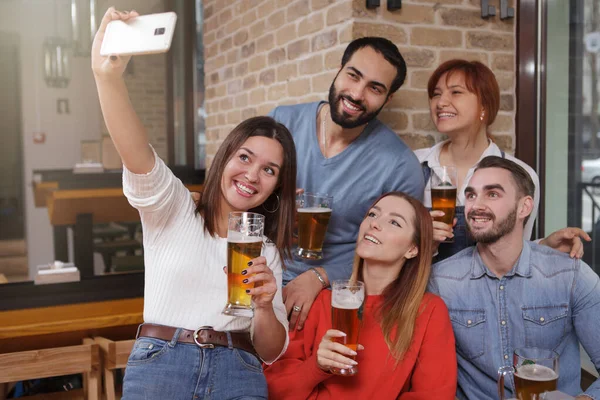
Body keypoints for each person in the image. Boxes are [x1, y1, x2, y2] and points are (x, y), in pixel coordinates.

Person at [92, 8, 297, 399]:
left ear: (277, 187)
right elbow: (136, 153)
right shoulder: (174, 209)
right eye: (245, 158)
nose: (253, 175)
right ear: (224, 158)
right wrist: (107, 78)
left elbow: (270, 351)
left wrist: (267, 307)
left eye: (270, 170)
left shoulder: (265, 253)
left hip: (238, 370)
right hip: (162, 364)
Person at [269, 37, 424, 330]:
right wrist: (273, 204)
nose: (356, 93)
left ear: (388, 99)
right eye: (353, 76)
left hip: (336, 294)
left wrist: (319, 277)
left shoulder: (400, 164)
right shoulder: (282, 122)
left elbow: (395, 252)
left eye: (375, 88)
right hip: (262, 274)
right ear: (339, 70)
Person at [428, 156, 600, 400]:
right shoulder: (441, 281)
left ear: (524, 207)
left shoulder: (569, 275)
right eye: (471, 195)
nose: (476, 205)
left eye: (492, 194)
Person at [265, 192, 457, 399]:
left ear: (412, 249)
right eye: (373, 214)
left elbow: (433, 394)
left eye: (394, 222)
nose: (375, 224)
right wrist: (316, 366)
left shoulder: (428, 311)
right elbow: (275, 387)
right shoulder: (319, 302)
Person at [416, 59, 589, 261]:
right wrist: (422, 238)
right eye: (436, 94)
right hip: (424, 288)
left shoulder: (520, 174)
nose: (440, 102)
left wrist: (546, 246)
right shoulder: (415, 163)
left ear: (484, 106)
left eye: (455, 92)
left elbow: (516, 252)